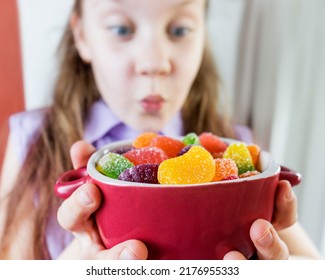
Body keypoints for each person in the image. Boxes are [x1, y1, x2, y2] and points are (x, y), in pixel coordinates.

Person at [0, 0, 321, 260]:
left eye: (180, 29)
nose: (155, 61)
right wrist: (79, 263)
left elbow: (311, 264)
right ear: (82, 36)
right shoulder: (34, 141)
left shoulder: (234, 148)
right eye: (122, 29)